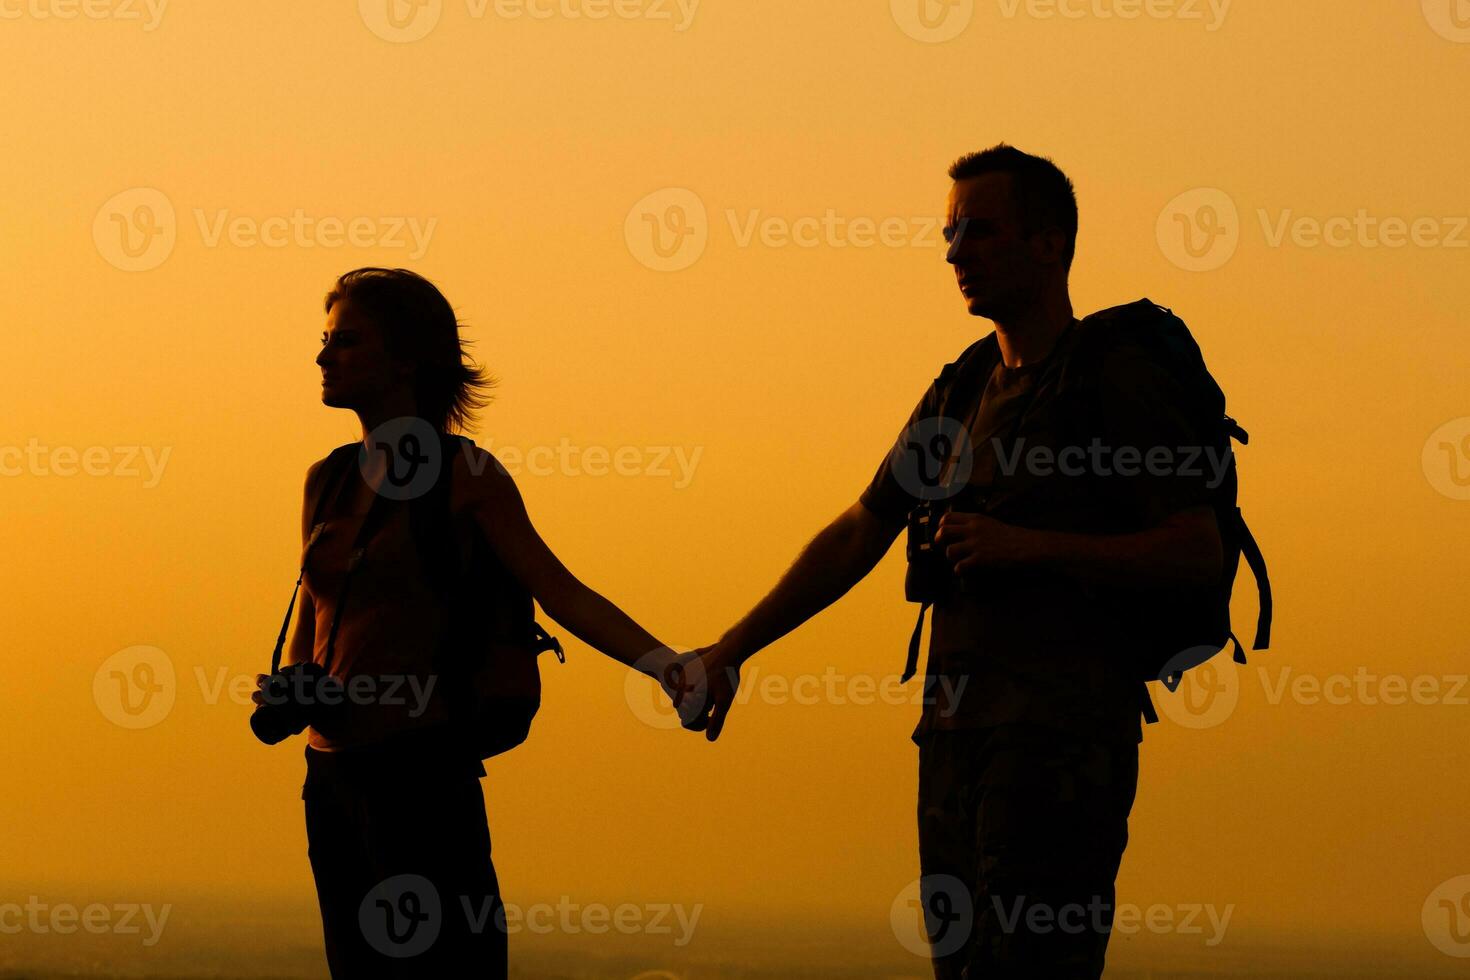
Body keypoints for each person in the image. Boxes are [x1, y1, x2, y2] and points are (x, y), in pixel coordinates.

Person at [678, 144, 1221, 978]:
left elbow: (1197, 549)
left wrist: (1031, 545)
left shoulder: (1112, 376)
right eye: (950, 231)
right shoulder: (961, 389)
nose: (954, 252)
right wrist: (730, 651)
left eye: (978, 230)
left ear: (1049, 244)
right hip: (954, 740)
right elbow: (863, 528)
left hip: (1061, 741)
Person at [255, 267, 693, 979]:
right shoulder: (325, 480)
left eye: (345, 341)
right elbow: (313, 632)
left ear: (405, 360)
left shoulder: (468, 476)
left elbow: (560, 591)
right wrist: (287, 694)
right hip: (332, 784)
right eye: (325, 340)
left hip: (422, 779)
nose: (323, 358)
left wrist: (668, 666)